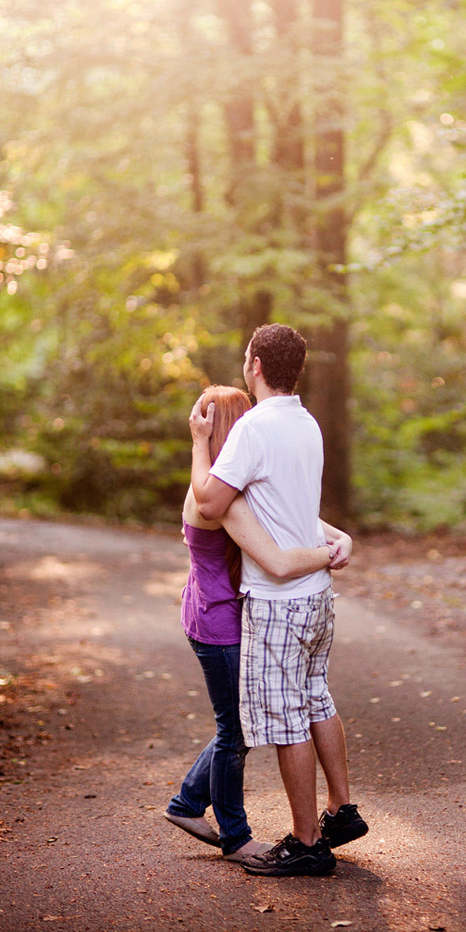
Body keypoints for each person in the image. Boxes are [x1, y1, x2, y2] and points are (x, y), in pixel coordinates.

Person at [190, 324, 367, 877]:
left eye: (246, 357)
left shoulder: (254, 428)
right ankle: (341, 810)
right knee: (316, 697)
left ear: (256, 365)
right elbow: (292, 506)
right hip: (317, 597)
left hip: (278, 598)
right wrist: (334, 542)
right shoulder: (306, 422)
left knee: (288, 719)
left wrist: (199, 443)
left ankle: (306, 842)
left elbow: (211, 499)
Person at [165, 384, 350, 864]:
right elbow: (273, 552)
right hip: (218, 623)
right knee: (236, 733)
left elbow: (283, 514)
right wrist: (328, 553)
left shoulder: (230, 487)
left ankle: (187, 802)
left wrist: (335, 533)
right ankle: (236, 836)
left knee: (236, 727)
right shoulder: (220, 502)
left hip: (219, 614)